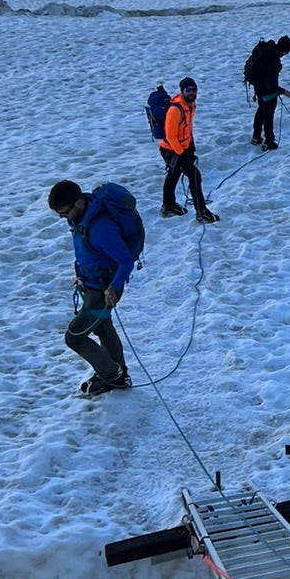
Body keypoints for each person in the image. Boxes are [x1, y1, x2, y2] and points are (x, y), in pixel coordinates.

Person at [46, 179, 141, 397]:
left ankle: (112, 375)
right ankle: (120, 375)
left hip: (102, 291)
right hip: (90, 284)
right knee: (103, 327)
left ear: (79, 203)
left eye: (64, 212)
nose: (63, 218)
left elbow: (125, 261)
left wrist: (114, 288)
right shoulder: (81, 219)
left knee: (74, 337)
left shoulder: (101, 228)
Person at [161, 78, 220, 223]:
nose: (191, 93)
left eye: (194, 90)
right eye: (188, 90)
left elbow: (187, 127)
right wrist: (182, 154)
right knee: (194, 176)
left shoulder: (190, 105)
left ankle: (168, 205)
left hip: (181, 148)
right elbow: (171, 136)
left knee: (174, 174)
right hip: (171, 149)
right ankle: (202, 212)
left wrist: (190, 146)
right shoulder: (175, 110)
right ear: (182, 91)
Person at [244, 36, 290, 150]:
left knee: (261, 110)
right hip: (267, 91)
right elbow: (270, 85)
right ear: (284, 50)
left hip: (258, 87)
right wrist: (283, 92)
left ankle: (256, 137)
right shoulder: (275, 61)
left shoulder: (266, 50)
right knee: (268, 115)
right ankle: (269, 141)